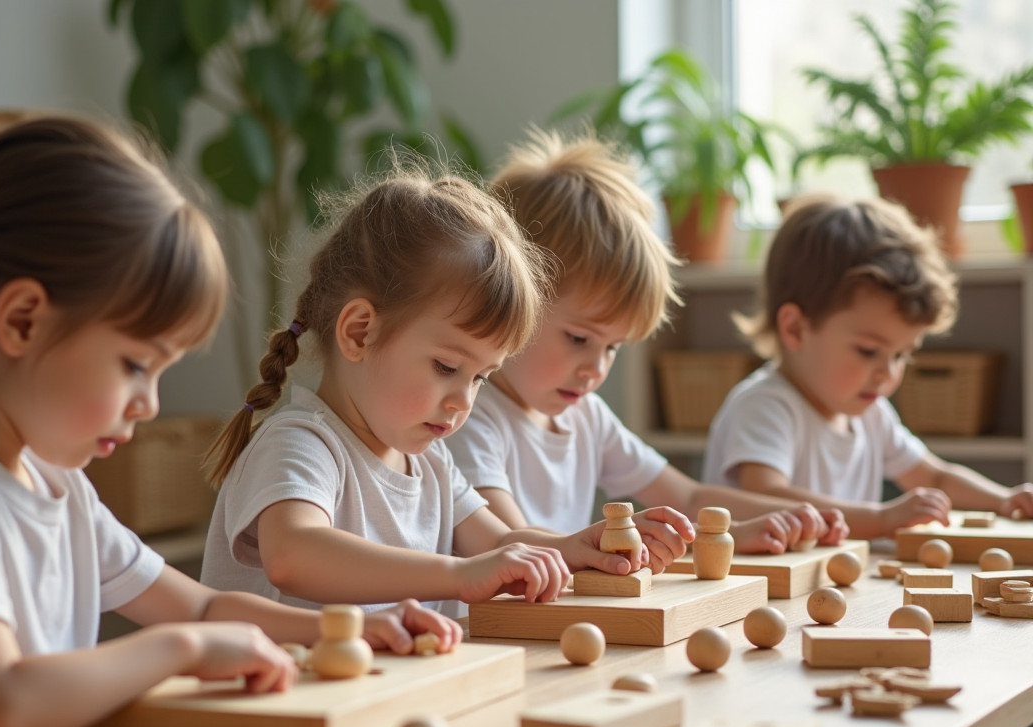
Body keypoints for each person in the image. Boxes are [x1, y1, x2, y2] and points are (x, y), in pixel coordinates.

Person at [0, 119, 455, 727]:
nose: (151, 403)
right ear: (21, 321)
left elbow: (205, 605)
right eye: (136, 364)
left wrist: (349, 627)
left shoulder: (56, 485)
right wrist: (180, 650)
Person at [201, 159, 694, 613]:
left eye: (481, 377)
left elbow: (499, 544)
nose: (464, 402)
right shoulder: (300, 444)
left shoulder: (430, 464)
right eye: (445, 367)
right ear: (359, 332)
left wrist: (573, 548)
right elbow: (294, 555)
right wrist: (458, 576)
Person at [450, 131, 848, 554]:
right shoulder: (469, 417)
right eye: (579, 337)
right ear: (512, 301)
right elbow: (509, 547)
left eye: (611, 347)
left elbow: (689, 498)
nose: (595, 368)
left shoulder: (586, 417)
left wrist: (757, 523)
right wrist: (615, 541)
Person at [705, 193, 1033, 537]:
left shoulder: (870, 412)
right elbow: (763, 495)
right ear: (795, 328)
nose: (887, 374)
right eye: (868, 350)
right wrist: (879, 519)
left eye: (901, 355)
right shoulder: (766, 406)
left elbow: (934, 477)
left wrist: (1005, 499)